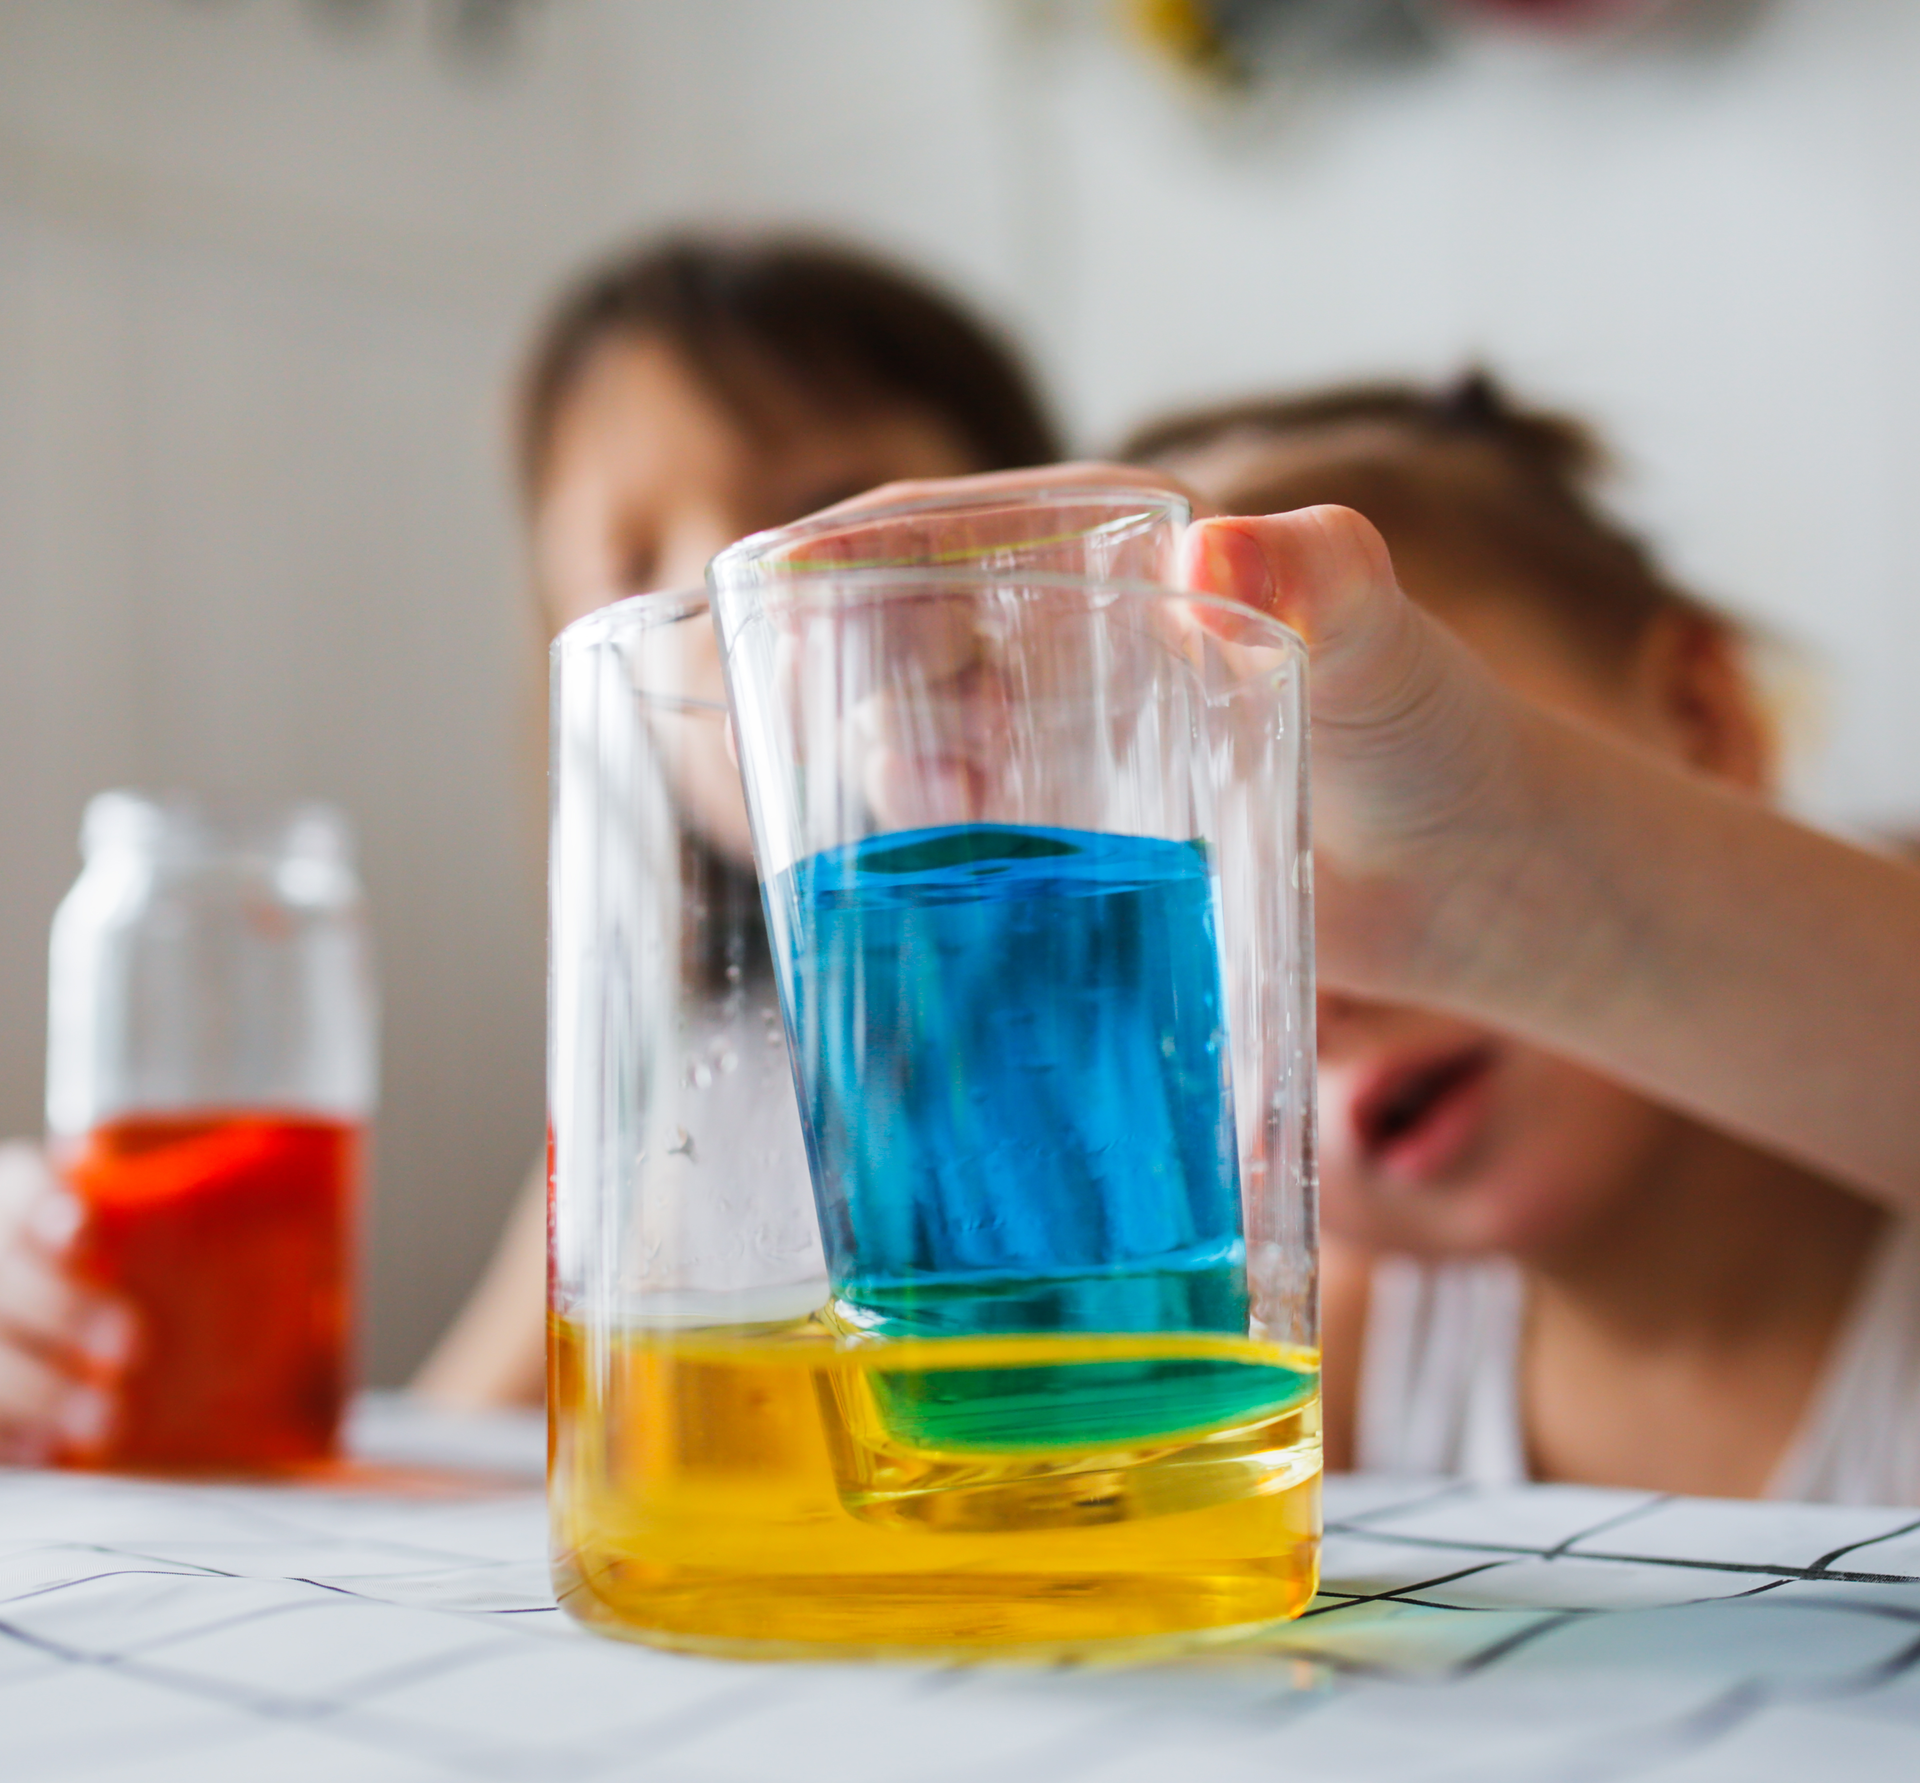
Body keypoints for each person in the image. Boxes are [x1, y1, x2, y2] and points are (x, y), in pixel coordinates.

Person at [0, 235, 1062, 1450]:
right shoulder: (679, 1080)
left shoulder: (1183, 970)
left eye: (822, 508)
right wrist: (56, 1326)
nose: (727, 602)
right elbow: (448, 1446)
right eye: (631, 561)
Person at [1111, 375, 1920, 1499]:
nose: (1323, 987)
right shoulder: (1351, 1339)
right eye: (1213, 932)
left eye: (1341, 816)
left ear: (1703, 717)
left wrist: (1540, 899)